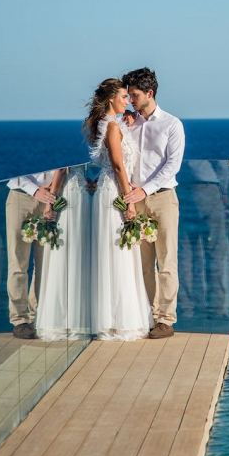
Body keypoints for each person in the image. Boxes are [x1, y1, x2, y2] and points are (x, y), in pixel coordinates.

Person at [85, 78, 152, 340]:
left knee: (120, 253)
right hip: (114, 193)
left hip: (113, 189)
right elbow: (117, 166)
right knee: (116, 252)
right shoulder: (112, 127)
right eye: (124, 97)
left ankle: (115, 317)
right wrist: (129, 200)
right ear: (112, 99)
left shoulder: (116, 123)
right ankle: (113, 321)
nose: (129, 101)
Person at [122, 67, 185, 339]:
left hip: (162, 199)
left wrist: (144, 191)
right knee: (143, 263)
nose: (130, 100)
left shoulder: (172, 124)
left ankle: (165, 320)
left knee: (167, 260)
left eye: (134, 95)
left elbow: (172, 166)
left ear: (150, 93)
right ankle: (147, 316)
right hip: (134, 202)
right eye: (127, 95)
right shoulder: (128, 123)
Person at [35, 166, 91, 341]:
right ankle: (79, 318)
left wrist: (49, 204)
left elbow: (60, 170)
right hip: (80, 193)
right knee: (79, 256)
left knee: (62, 256)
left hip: (67, 195)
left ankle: (61, 319)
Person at [5, 168, 58, 338]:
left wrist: (50, 195)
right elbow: (11, 164)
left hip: (51, 198)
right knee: (18, 261)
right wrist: (35, 190)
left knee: (43, 263)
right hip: (21, 197)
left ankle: (37, 316)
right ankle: (19, 320)